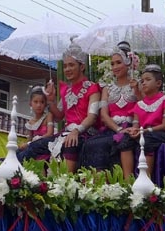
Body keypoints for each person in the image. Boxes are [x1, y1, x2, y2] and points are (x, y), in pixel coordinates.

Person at [17, 44, 101, 173]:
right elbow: (59, 115)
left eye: (71, 65)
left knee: (71, 144)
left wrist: (76, 131)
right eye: (65, 65)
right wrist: (50, 100)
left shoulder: (92, 88)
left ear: (82, 66)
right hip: (66, 132)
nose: (67, 69)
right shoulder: (66, 91)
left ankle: (65, 184)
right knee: (34, 146)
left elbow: (92, 116)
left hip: (85, 132)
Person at [81, 41, 141, 178]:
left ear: (128, 63)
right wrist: (118, 129)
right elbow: (104, 115)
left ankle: (127, 182)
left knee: (124, 140)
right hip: (112, 128)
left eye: (119, 62)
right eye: (112, 63)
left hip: (132, 127)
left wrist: (136, 90)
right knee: (92, 144)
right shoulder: (107, 89)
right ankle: (100, 185)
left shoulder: (137, 85)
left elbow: (142, 107)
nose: (115, 67)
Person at [128, 64, 165, 178]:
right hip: (144, 132)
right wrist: (133, 131)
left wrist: (146, 130)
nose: (143, 83)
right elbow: (136, 125)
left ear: (158, 83)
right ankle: (127, 181)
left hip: (161, 134)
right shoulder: (139, 104)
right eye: (142, 81)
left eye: (148, 79)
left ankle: (146, 179)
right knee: (124, 142)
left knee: (147, 140)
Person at [17, 86, 54, 154]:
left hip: (45, 146)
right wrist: (24, 145)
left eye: (42, 102)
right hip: (33, 147)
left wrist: (37, 140)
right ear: (30, 104)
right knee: (18, 152)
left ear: (45, 104)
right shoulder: (30, 123)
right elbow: (29, 140)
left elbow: (50, 134)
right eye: (36, 102)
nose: (39, 105)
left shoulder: (48, 116)